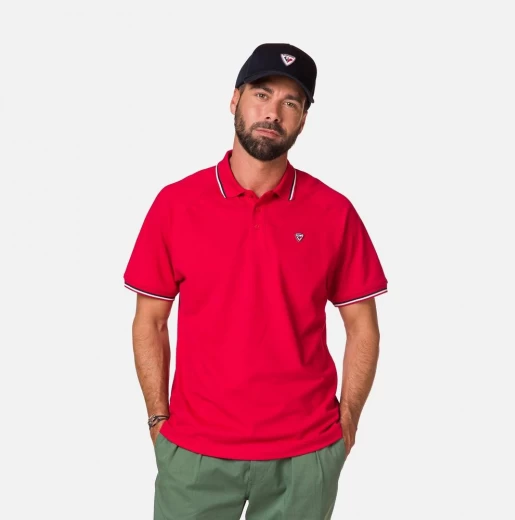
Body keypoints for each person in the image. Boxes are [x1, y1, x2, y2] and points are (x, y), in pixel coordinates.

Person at [123, 42, 388, 520]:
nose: (273, 112)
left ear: (303, 119)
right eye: (262, 95)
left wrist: (348, 417)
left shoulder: (334, 212)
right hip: (195, 453)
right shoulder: (176, 205)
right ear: (235, 99)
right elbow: (150, 321)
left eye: (291, 103)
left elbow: (362, 325)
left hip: (305, 456)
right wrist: (158, 418)